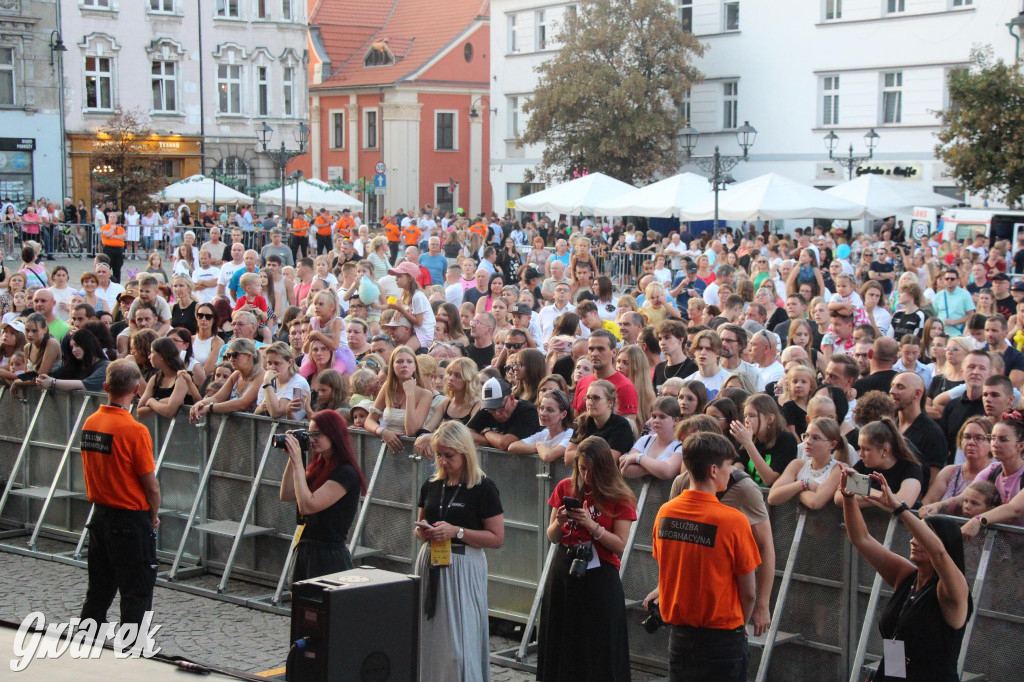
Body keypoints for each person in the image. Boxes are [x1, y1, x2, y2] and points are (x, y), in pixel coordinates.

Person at [646, 432, 760, 682]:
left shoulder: (666, 511)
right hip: (723, 637)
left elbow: (667, 566)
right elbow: (749, 592)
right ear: (713, 470)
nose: (730, 471)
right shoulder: (733, 521)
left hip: (680, 637)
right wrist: (742, 624)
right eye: (728, 465)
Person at [839, 466, 971, 682]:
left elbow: (938, 552)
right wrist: (848, 497)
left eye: (921, 535)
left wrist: (899, 509)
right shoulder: (908, 576)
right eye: (913, 534)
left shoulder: (952, 592)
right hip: (894, 674)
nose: (912, 540)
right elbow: (861, 538)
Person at [538, 435, 636, 682]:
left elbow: (620, 545)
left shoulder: (620, 496)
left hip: (600, 573)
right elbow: (551, 536)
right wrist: (560, 523)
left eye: (592, 470)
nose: (587, 475)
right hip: (565, 568)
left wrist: (592, 526)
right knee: (561, 636)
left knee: (597, 644)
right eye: (582, 469)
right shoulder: (565, 487)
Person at [414, 421, 504, 682]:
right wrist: (422, 532)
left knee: (458, 643)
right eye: (439, 455)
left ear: (464, 452)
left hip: (463, 565)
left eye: (448, 455)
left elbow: (497, 538)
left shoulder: (483, 487)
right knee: (428, 635)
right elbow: (421, 524)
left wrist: (457, 532)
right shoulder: (432, 485)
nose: (442, 461)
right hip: (430, 560)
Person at [78, 359, 161, 639]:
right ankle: (132, 649)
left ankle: (87, 640)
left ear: (105, 387)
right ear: (136, 389)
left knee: (99, 590)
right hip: (129, 519)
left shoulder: (91, 422)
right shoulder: (135, 430)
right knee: (136, 592)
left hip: (100, 515)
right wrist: (153, 514)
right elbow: (151, 484)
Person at [280, 410, 366, 582]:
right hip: (307, 550)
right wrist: (292, 458)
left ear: (334, 434)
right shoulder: (319, 466)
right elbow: (287, 495)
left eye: (317, 434)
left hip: (329, 557)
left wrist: (298, 461)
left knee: (324, 607)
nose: (311, 440)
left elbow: (308, 506)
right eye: (310, 434)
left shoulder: (346, 472)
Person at [834, 417, 925, 508]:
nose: (861, 454)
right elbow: (839, 497)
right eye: (860, 448)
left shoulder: (910, 468)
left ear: (884, 451)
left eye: (866, 449)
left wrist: (860, 487)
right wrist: (884, 500)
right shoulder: (865, 464)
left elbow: (903, 504)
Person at [364, 345, 434, 452]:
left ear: (415, 366)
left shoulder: (425, 394)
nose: (404, 365)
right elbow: (369, 420)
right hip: (388, 450)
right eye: (400, 361)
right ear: (392, 366)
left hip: (412, 454)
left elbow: (411, 431)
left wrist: (410, 394)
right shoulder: (387, 387)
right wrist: (383, 432)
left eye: (409, 362)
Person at [768, 417, 845, 509]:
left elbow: (815, 502)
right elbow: (772, 497)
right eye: (806, 435)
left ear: (832, 445)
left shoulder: (839, 468)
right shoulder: (797, 465)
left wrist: (793, 490)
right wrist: (804, 483)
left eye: (816, 438)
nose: (808, 441)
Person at [730, 394, 798, 486]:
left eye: (752, 415)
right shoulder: (748, 437)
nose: (746, 420)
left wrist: (748, 444)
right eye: (745, 415)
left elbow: (771, 481)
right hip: (749, 495)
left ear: (770, 419)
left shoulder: (786, 439)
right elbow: (738, 467)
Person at [565, 379, 635, 464]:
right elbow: (568, 458)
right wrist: (594, 456)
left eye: (596, 398)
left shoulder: (621, 425)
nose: (590, 402)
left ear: (610, 403)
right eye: (588, 398)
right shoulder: (582, 422)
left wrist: (580, 455)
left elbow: (608, 461)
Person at [619, 396, 683, 480]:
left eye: (662, 417)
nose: (656, 420)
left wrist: (638, 457)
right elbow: (625, 468)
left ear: (675, 421)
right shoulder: (645, 440)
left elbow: (668, 472)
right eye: (654, 416)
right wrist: (657, 469)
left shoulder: (680, 445)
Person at [136, 337, 199, 419]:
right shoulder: (155, 378)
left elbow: (170, 411)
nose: (149, 357)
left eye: (152, 352)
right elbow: (139, 412)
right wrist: (161, 402)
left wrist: (152, 402)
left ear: (162, 356)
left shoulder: (182, 377)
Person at [508, 389, 574, 463]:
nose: (543, 413)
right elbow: (512, 447)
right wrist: (538, 448)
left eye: (550, 410)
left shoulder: (569, 435)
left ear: (563, 414)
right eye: (542, 408)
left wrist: (539, 444)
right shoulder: (545, 433)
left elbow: (547, 456)